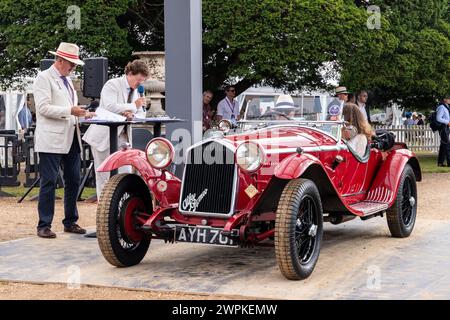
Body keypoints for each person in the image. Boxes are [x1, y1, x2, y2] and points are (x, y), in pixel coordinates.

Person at [33, 42, 94, 238]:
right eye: (72, 64)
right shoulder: (43, 78)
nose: (74, 68)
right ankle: (43, 225)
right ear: (60, 61)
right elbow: (42, 108)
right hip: (51, 139)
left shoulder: (67, 81)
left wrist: (82, 114)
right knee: (49, 181)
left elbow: (69, 109)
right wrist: (70, 111)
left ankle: (70, 221)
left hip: (71, 136)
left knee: (74, 180)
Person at [83, 60, 149, 198]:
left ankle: (121, 209)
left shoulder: (137, 91)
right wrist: (132, 106)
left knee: (125, 175)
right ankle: (104, 212)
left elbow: (141, 113)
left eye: (141, 81)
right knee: (104, 175)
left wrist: (132, 113)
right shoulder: (112, 84)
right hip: (105, 136)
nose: (139, 84)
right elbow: (109, 106)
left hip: (124, 138)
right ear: (130, 74)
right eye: (138, 80)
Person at [436, 97, 450, 167]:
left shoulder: (446, 107)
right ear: (445, 99)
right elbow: (438, 118)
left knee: (443, 146)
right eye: (449, 99)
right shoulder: (442, 107)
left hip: (446, 128)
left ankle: (440, 162)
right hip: (443, 128)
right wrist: (447, 122)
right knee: (447, 145)